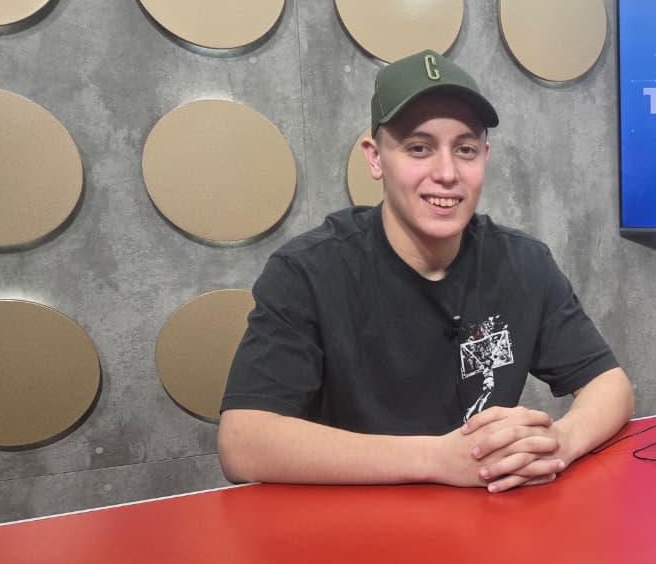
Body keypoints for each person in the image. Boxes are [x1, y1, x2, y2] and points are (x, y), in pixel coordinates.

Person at [217, 50, 634, 492]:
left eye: (465, 150)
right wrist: (436, 459)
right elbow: (242, 442)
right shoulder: (306, 272)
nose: (447, 173)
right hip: (354, 519)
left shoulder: (524, 263)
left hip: (489, 520)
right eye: (419, 148)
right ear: (375, 158)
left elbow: (611, 385)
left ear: (485, 157)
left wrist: (561, 441)